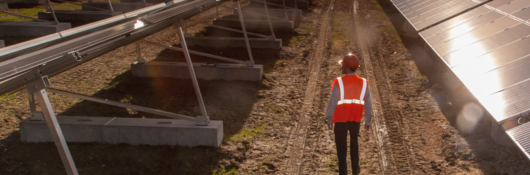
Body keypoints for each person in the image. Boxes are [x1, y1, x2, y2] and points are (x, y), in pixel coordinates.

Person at [325, 53, 372, 175]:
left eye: (342, 66)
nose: (341, 68)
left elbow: (332, 103)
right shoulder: (363, 82)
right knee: (354, 145)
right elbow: (368, 103)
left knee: (341, 150)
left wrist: (329, 119)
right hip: (355, 120)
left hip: (340, 120)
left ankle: (343, 173)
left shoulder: (339, 82)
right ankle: (355, 170)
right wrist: (368, 120)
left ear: (347, 67)